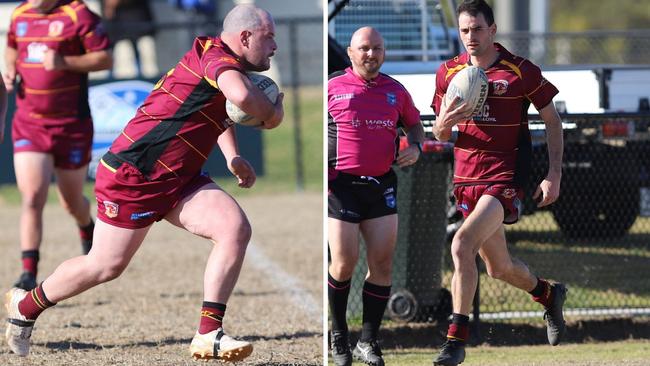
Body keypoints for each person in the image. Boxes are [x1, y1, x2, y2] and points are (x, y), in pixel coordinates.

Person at [5, 4, 284, 362]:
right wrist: (274, 113)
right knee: (105, 266)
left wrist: (231, 156)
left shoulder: (222, 62)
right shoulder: (216, 58)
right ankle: (25, 305)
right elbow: (243, 99)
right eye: (269, 37)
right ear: (245, 37)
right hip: (134, 174)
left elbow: (221, 111)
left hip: (178, 176)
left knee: (235, 228)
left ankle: (208, 334)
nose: (274, 46)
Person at [430, 1, 566, 365]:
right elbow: (440, 132)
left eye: (477, 29)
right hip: (465, 179)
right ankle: (549, 295)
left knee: (461, 244)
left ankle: (455, 341)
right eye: (464, 31)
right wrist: (446, 122)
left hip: (504, 177)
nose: (470, 37)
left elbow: (553, 122)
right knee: (499, 268)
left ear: (492, 30)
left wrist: (553, 175)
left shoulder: (520, 71)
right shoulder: (448, 73)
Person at [328, 27, 425, 366]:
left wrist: (415, 147)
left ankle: (367, 341)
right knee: (343, 262)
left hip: (381, 185)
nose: (371, 54)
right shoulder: (333, 88)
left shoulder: (395, 91)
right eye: (364, 48)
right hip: (340, 188)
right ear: (351, 53)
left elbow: (415, 125)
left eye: (377, 49)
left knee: (382, 264)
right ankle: (338, 334)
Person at [4, 0, 113, 291]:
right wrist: (9, 67)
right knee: (32, 197)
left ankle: (86, 226)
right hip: (29, 122)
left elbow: (104, 58)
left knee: (71, 201)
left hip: (71, 126)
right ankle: (28, 272)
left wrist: (65, 62)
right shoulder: (20, 13)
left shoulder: (79, 14)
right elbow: (12, 45)